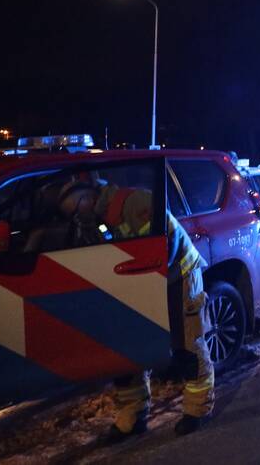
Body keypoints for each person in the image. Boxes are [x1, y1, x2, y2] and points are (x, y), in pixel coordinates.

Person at [55, 180, 214, 441]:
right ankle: (133, 416)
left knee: (188, 346)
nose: (76, 217)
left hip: (179, 277)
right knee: (129, 353)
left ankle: (198, 410)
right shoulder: (95, 220)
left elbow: (165, 247)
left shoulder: (134, 202)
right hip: (138, 283)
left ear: (87, 198)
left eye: (75, 210)